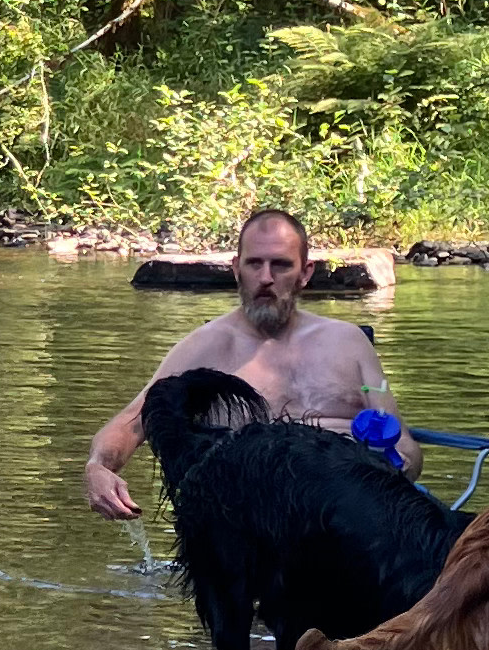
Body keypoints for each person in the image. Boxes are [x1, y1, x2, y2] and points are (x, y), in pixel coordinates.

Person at [84, 206, 402, 519]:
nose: (265, 277)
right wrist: (98, 468)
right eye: (254, 264)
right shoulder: (203, 349)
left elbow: (402, 445)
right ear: (236, 269)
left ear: (305, 273)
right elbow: (134, 421)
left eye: (280, 265)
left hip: (347, 513)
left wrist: (390, 468)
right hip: (249, 522)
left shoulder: (350, 343)